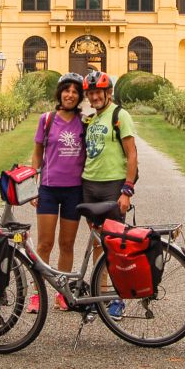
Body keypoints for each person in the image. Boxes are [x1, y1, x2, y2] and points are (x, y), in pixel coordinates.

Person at [80, 69, 138, 320]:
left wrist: (127, 189)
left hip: (112, 186)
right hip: (90, 186)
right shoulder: (92, 119)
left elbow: (132, 153)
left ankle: (118, 299)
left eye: (98, 92)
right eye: (90, 93)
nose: (94, 96)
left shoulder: (119, 115)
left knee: (114, 244)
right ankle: (100, 294)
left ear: (108, 93)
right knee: (97, 243)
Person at [29, 72, 87, 313]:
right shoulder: (47, 120)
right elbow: (37, 154)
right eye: (66, 90)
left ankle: (62, 292)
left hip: (74, 190)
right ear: (60, 93)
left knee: (66, 243)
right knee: (44, 244)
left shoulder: (85, 122)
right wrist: (33, 184)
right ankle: (36, 293)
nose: (70, 95)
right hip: (49, 189)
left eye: (75, 91)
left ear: (79, 96)